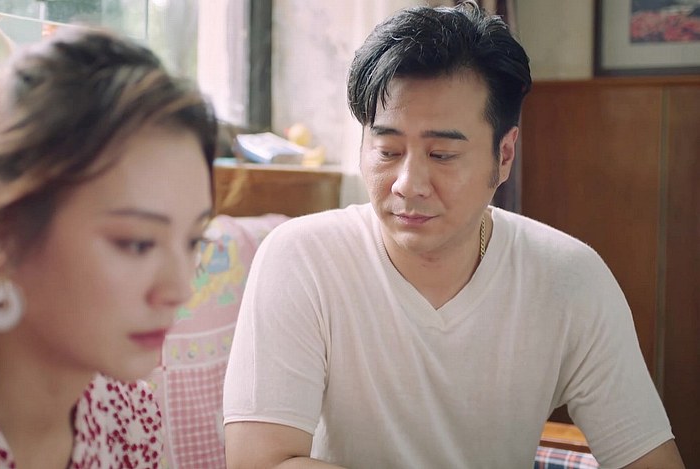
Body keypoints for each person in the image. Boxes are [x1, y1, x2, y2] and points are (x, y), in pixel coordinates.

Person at [222, 2, 684, 468]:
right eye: (387, 150)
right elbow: (261, 462)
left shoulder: (568, 279)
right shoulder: (301, 259)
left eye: (442, 155)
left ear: (504, 156)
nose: (408, 184)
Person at [0, 27, 217, 467]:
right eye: (137, 243)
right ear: (0, 228)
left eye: (193, 241)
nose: (180, 290)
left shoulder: (131, 417)